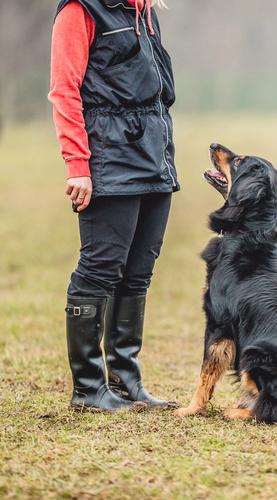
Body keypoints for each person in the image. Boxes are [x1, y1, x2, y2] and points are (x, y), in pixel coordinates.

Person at [48, 0, 178, 411]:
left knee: (138, 274)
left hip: (155, 157)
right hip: (108, 160)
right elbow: (64, 91)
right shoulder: (79, 12)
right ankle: (88, 389)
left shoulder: (146, 12)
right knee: (101, 268)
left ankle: (125, 382)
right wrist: (77, 165)